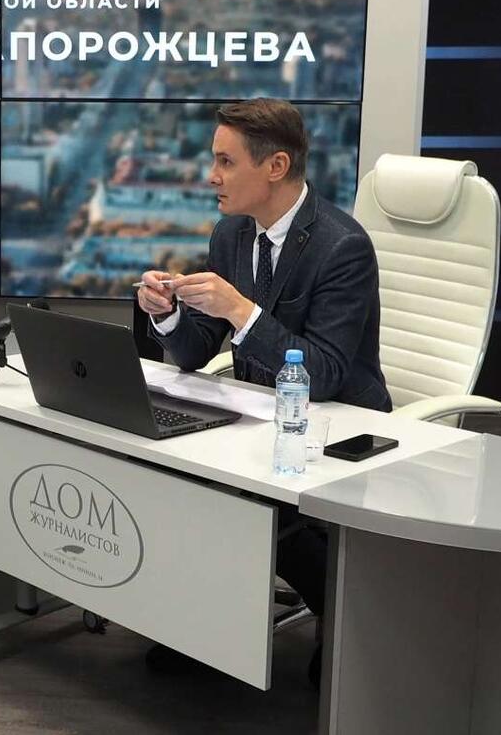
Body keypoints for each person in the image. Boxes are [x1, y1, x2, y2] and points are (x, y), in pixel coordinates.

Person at [136, 98, 390, 686]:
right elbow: (197, 351)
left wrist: (241, 311)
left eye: (225, 162)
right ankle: (201, 629)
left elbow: (324, 373)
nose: (212, 176)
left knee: (250, 502)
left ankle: (346, 620)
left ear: (275, 166)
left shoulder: (342, 246)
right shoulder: (232, 233)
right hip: (258, 415)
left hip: (340, 426)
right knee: (173, 473)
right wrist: (167, 314)